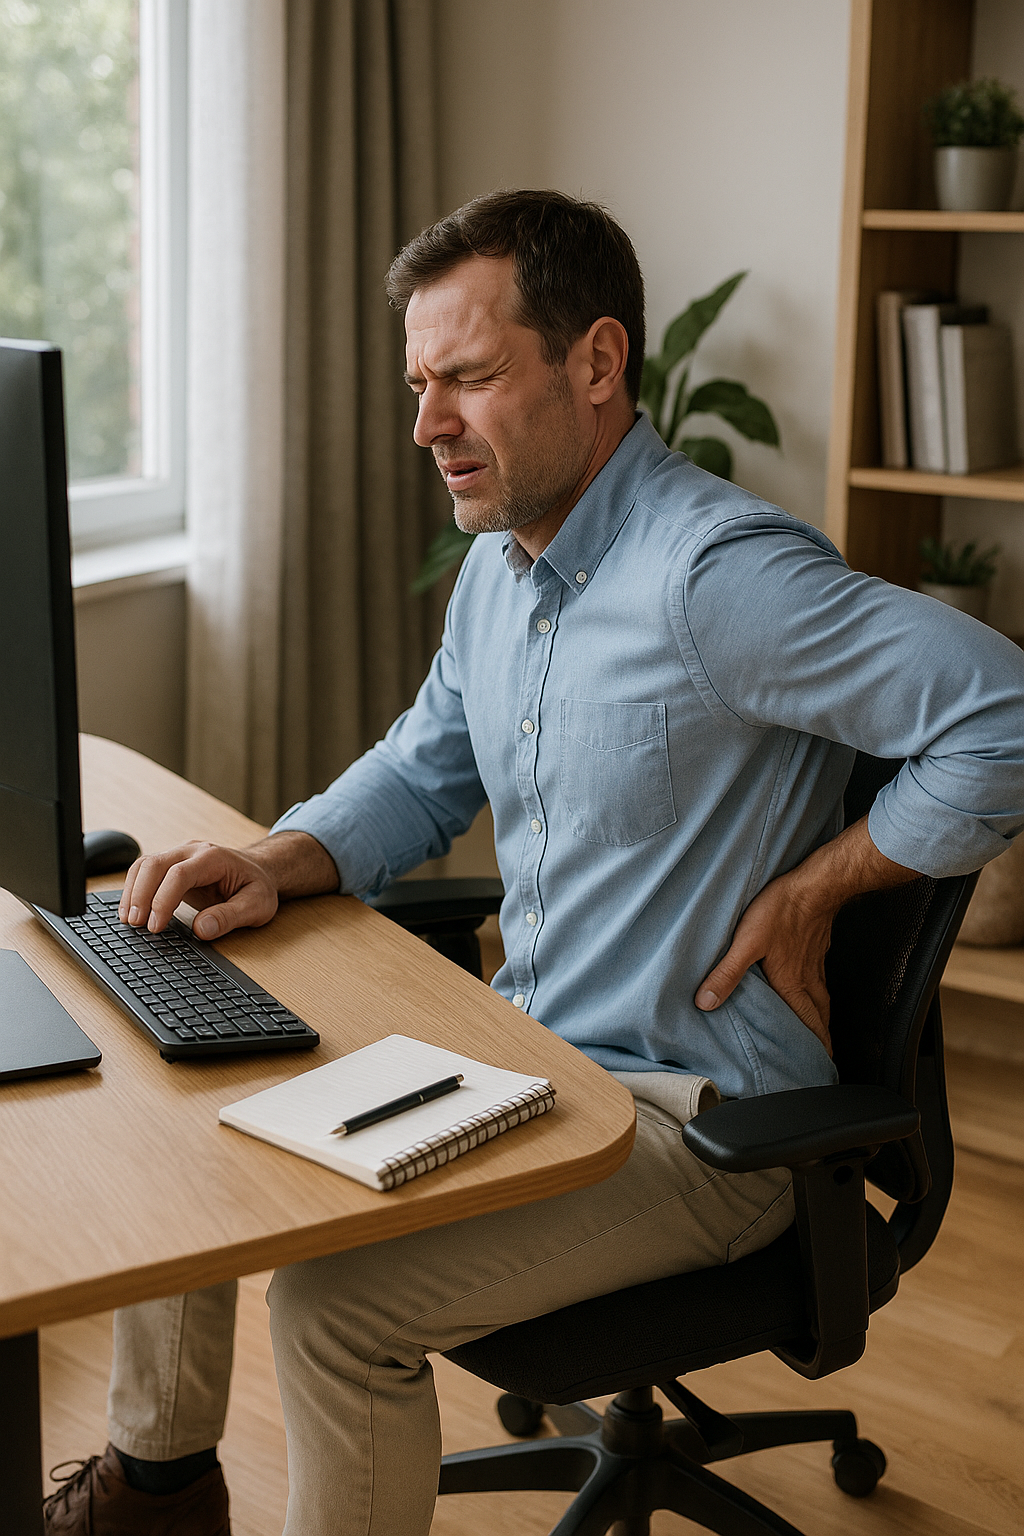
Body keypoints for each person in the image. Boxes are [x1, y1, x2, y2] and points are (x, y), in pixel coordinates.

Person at [45, 190, 1024, 1536]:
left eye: (469, 378)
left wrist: (823, 885)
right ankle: (154, 1496)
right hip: (531, 1070)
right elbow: (423, 765)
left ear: (599, 365)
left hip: (698, 1123)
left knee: (337, 1310)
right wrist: (282, 855)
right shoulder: (504, 570)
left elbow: (1004, 713)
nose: (427, 425)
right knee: (206, 1148)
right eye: (419, 383)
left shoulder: (715, 578)